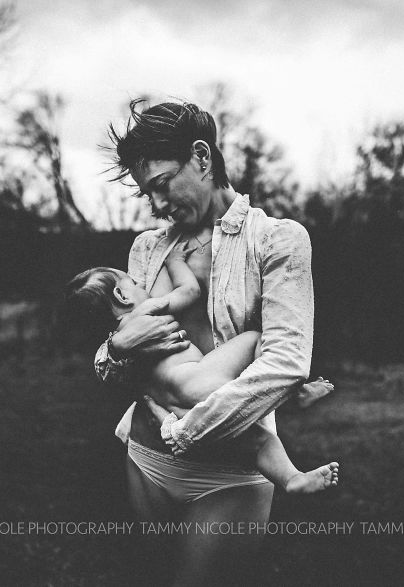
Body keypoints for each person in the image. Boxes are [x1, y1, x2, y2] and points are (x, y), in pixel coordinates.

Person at [91, 99, 337, 586]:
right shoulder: (147, 248)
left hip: (230, 473)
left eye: (162, 185)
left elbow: (286, 361)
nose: (158, 205)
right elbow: (117, 359)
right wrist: (116, 350)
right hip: (145, 455)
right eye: (148, 194)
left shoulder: (277, 241)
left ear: (202, 158)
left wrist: (186, 430)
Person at [65, 244, 338, 494]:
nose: (141, 284)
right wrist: (175, 262)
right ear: (122, 295)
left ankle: (292, 479)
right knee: (256, 340)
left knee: (253, 439)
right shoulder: (147, 310)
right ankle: (292, 401)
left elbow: (114, 373)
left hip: (168, 402)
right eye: (134, 282)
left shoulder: (119, 340)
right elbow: (190, 291)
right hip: (194, 377)